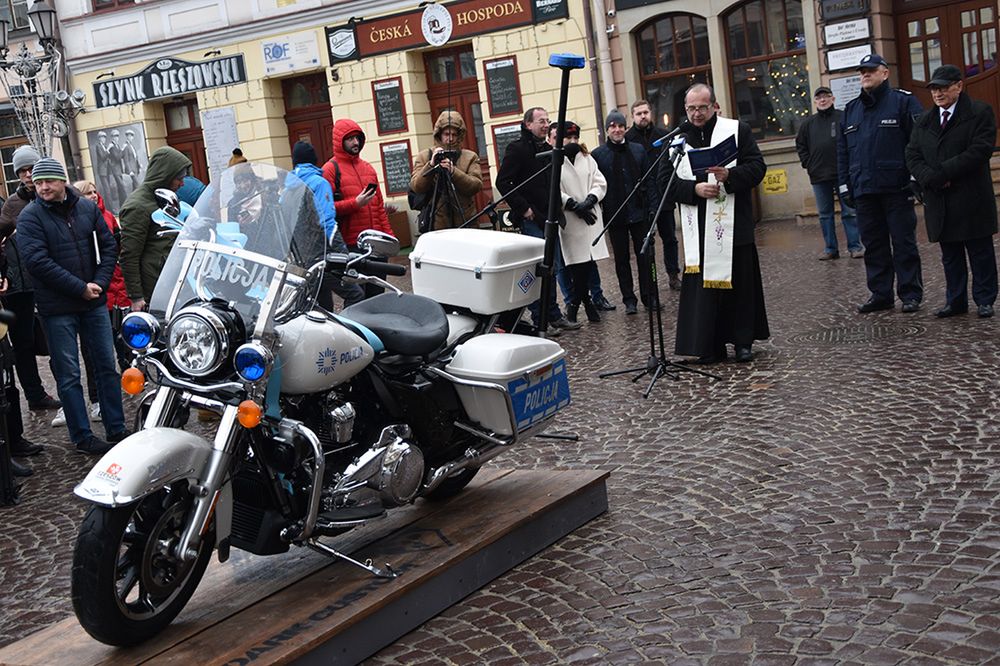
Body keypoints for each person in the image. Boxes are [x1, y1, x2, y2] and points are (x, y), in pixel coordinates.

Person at [16, 158, 127, 454]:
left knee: (106, 366)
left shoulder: (87, 208)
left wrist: (100, 284)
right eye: (37, 183)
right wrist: (80, 288)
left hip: (94, 301)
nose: (41, 188)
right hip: (57, 308)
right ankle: (83, 436)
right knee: (68, 374)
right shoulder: (30, 217)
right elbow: (37, 263)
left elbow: (108, 246)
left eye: (47, 182)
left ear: (61, 181)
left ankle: (116, 426)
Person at [659, 83, 768, 364]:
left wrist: (729, 176)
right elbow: (662, 184)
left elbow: (757, 168)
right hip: (698, 228)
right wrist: (694, 190)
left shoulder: (736, 130)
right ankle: (709, 343)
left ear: (714, 106)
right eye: (691, 108)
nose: (696, 114)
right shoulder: (676, 141)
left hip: (735, 226)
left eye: (702, 108)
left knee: (740, 286)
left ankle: (743, 341)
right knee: (705, 292)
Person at [905, 64, 997, 319]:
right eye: (934, 88)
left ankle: (985, 299)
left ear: (959, 86)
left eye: (943, 87)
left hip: (971, 196)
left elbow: (980, 150)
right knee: (950, 255)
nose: (937, 93)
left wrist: (943, 172)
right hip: (940, 198)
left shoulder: (979, 112)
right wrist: (928, 178)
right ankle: (955, 301)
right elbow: (912, 154)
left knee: (980, 252)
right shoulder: (924, 120)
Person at [837, 54, 924, 314]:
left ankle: (910, 294)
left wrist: (914, 177)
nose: (865, 75)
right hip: (863, 189)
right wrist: (844, 185)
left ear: (885, 73)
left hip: (896, 188)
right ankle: (880, 293)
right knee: (873, 246)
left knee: (903, 243)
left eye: (871, 71)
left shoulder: (903, 102)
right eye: (862, 71)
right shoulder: (851, 109)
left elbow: (917, 142)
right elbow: (842, 152)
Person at [495, 107, 579, 334]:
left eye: (547, 121)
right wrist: (524, 209)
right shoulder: (517, 149)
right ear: (528, 124)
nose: (545, 125)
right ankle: (539, 318)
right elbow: (503, 182)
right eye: (541, 121)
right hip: (532, 219)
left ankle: (553, 315)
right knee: (538, 270)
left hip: (550, 218)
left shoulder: (549, 149)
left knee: (552, 268)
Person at [0, 145, 61, 414]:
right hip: (18, 286)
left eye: (30, 168)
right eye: (22, 171)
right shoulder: (10, 205)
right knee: (23, 343)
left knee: (54, 340)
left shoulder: (52, 198)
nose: (26, 174)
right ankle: (35, 394)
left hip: (49, 280)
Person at [546, 123, 615, 314]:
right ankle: (580, 303)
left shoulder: (587, 158)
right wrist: (573, 205)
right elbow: (552, 189)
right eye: (568, 138)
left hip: (590, 216)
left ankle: (583, 304)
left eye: (576, 138)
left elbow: (599, 181)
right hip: (570, 219)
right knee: (576, 264)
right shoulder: (553, 161)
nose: (573, 141)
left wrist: (590, 200)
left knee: (587, 261)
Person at [592, 110, 656, 315]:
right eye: (613, 126)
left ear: (625, 128)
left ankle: (649, 296)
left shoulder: (638, 150)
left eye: (620, 126)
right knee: (621, 260)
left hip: (639, 213)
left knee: (645, 257)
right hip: (615, 215)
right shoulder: (598, 155)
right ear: (607, 129)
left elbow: (650, 181)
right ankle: (629, 299)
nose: (617, 130)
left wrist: (653, 208)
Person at [324, 119, 395, 299]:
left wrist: (389, 238)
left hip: (375, 245)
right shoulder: (330, 170)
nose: (355, 142)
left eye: (357, 138)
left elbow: (379, 207)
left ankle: (376, 328)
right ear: (340, 142)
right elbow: (326, 210)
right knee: (358, 298)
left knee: (377, 296)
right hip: (350, 246)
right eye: (350, 139)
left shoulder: (368, 168)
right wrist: (355, 204)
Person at [291, 141, 363, 309]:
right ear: (313, 160)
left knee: (323, 306)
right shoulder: (319, 183)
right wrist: (344, 255)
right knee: (356, 295)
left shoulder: (288, 187)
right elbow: (327, 222)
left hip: (302, 260)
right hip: (321, 257)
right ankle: (346, 333)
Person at [118, 146, 192, 312]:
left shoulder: (163, 198)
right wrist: (136, 297)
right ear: (164, 175)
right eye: (178, 178)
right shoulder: (138, 206)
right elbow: (129, 255)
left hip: (171, 281)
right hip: (155, 287)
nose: (182, 183)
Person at [796, 86, 863, 260]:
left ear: (833, 99)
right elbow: (801, 146)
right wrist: (808, 164)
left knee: (849, 211)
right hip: (818, 176)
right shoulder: (808, 124)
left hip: (842, 174)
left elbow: (853, 139)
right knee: (825, 215)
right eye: (819, 98)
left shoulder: (842, 117)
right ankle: (830, 249)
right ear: (815, 102)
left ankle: (855, 247)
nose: (823, 100)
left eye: (826, 96)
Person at [74, 180, 132, 367]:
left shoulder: (107, 216)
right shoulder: (75, 218)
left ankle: (129, 369)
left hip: (116, 278)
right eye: (87, 193)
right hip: (97, 283)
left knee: (123, 331)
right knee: (102, 335)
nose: (92, 195)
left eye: (93, 191)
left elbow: (116, 245)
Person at [626, 99, 682, 291]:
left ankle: (673, 274)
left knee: (670, 238)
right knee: (646, 243)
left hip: (664, 195)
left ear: (651, 113)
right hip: (642, 200)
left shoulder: (664, 136)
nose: (643, 116)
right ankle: (651, 281)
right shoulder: (628, 139)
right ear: (632, 116)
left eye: (645, 112)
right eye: (639, 113)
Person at [409, 110, 483, 231]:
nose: (450, 139)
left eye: (454, 135)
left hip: (465, 220)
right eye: (447, 134)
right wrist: (431, 165)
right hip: (435, 223)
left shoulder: (470, 157)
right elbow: (416, 186)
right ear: (439, 134)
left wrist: (454, 172)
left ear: (460, 136)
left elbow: (476, 186)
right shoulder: (424, 156)